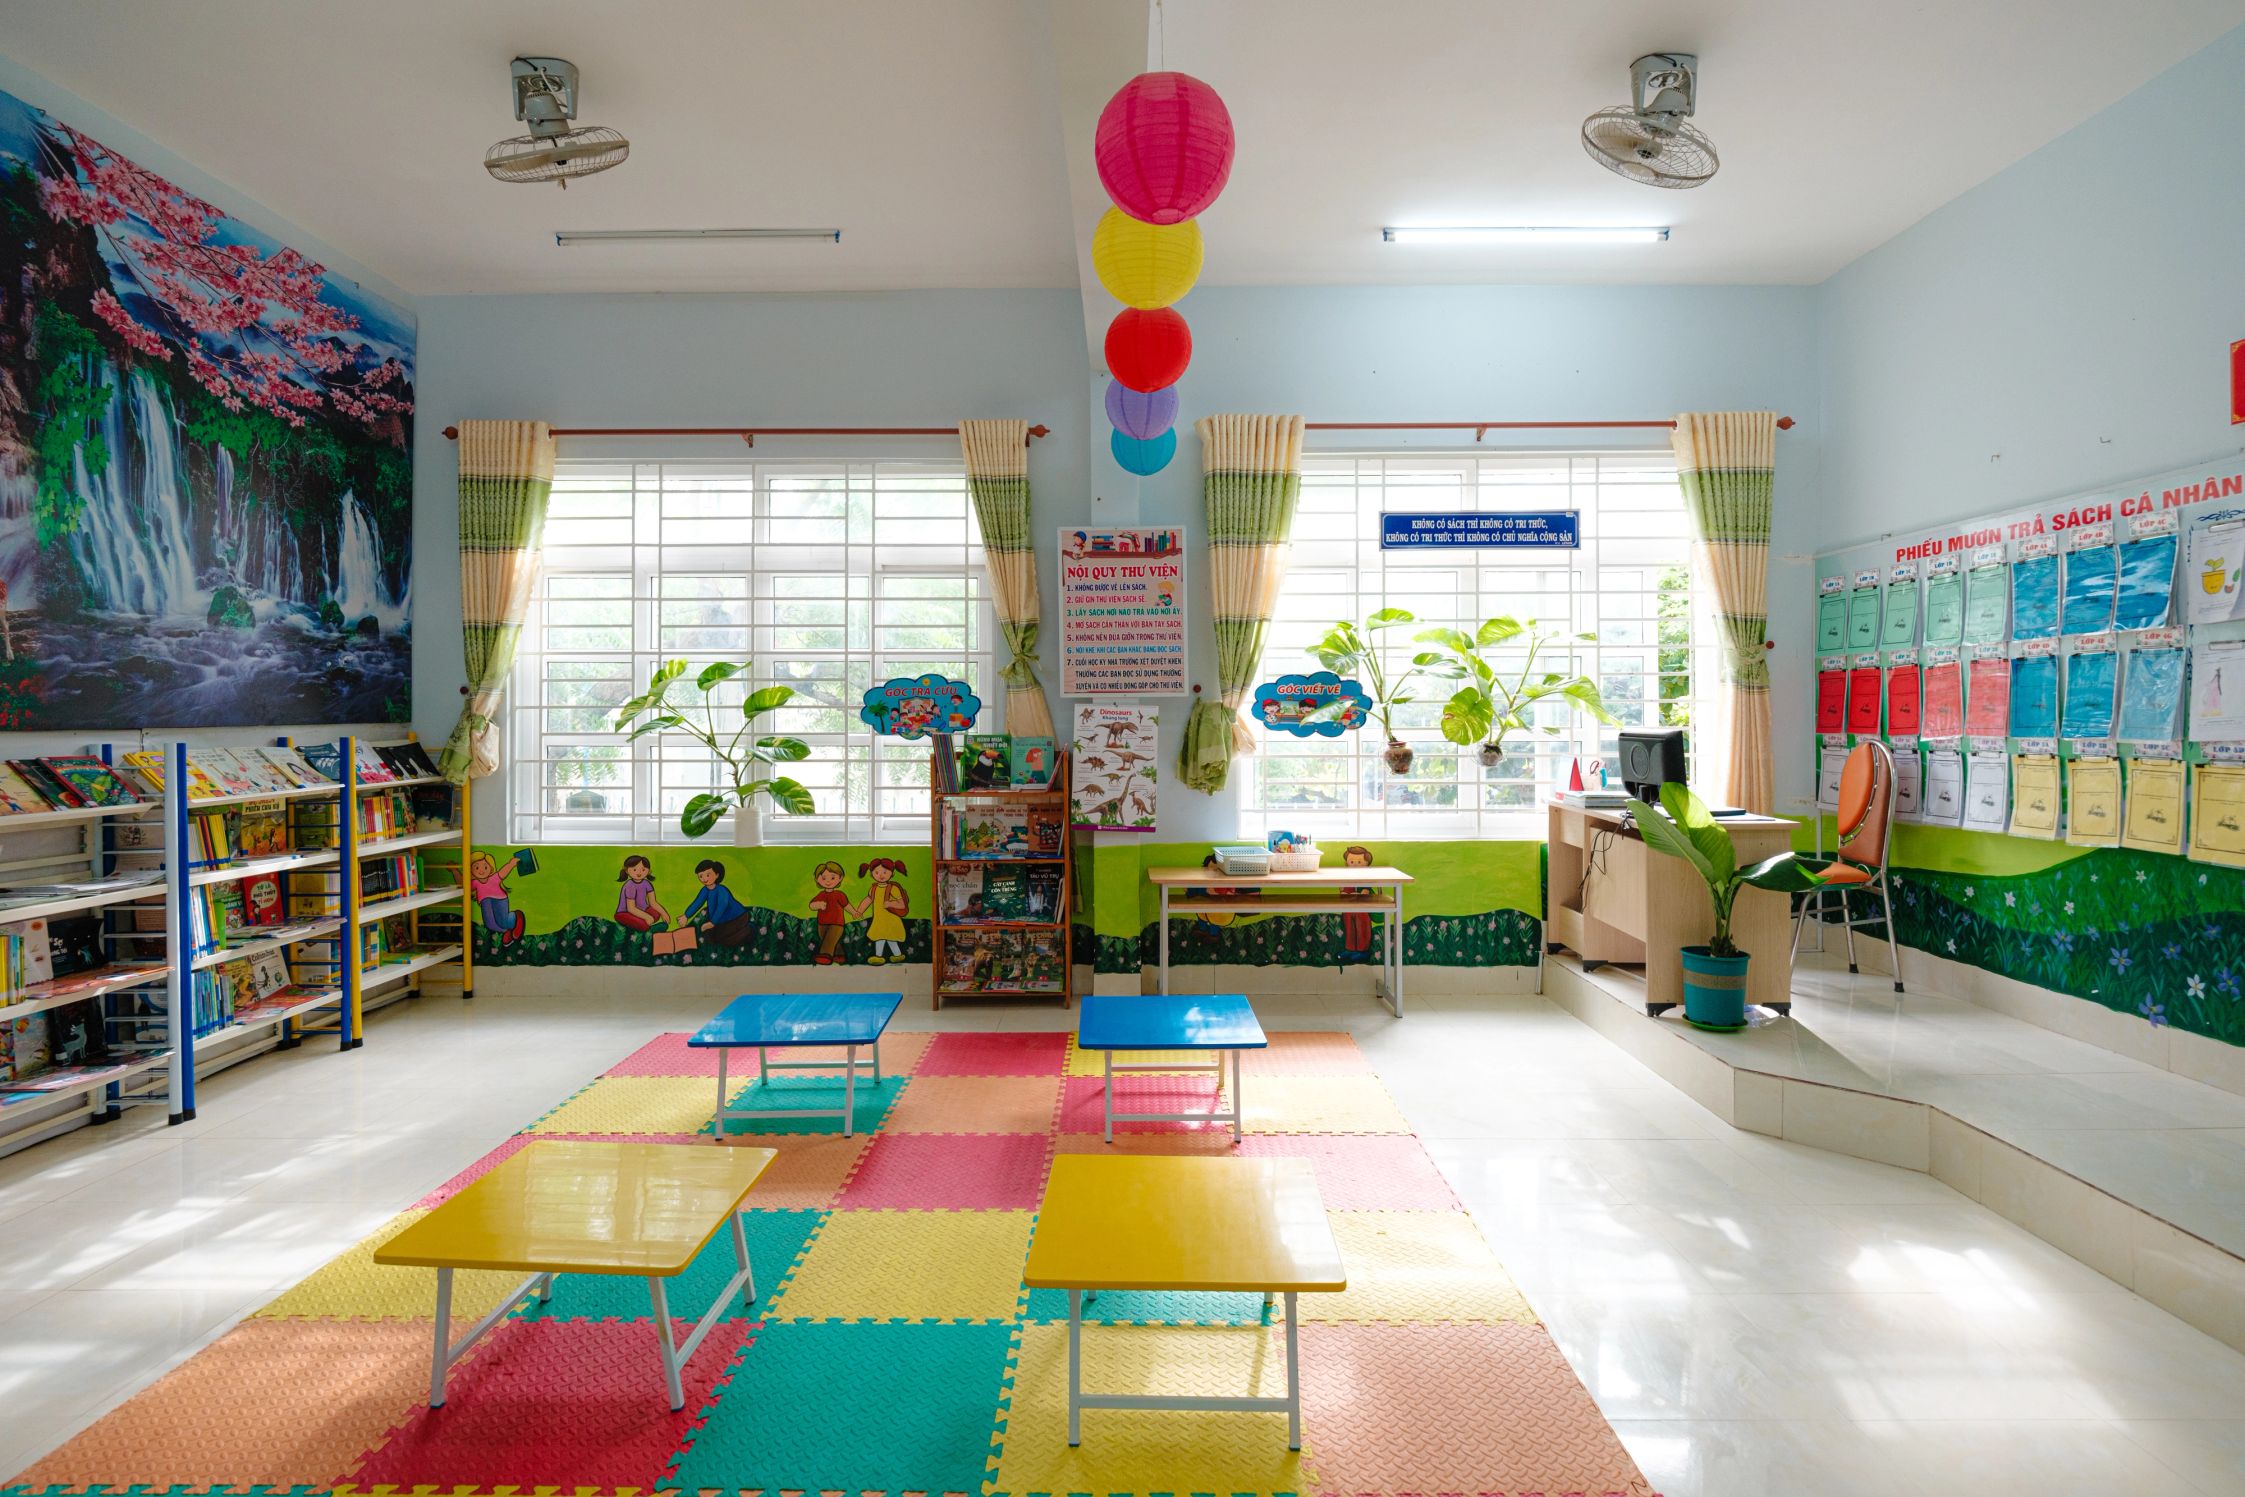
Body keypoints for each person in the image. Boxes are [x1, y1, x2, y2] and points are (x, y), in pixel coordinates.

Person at [682, 858, 756, 946]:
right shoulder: (705, 890)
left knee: (725, 941)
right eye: (700, 876)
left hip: (738, 918)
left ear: (717, 875)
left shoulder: (721, 890)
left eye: (708, 875)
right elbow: (697, 903)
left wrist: (712, 922)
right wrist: (686, 916)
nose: (704, 879)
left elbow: (722, 905)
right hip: (721, 921)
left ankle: (748, 930)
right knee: (711, 938)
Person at [853, 857, 909, 965]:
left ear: (892, 873)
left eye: (885, 872)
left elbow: (902, 904)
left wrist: (890, 903)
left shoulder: (893, 888)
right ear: (871, 874)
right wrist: (859, 911)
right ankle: (879, 957)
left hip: (891, 919)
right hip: (879, 919)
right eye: (877, 872)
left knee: (891, 938)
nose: (881, 875)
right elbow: (868, 900)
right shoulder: (874, 888)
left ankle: (897, 955)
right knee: (880, 937)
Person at [469, 851, 524, 945]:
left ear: (490, 869)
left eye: (485, 867)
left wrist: (511, 864)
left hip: (499, 899)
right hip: (485, 901)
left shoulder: (494, 877)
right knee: (490, 924)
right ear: (471, 870)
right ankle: (507, 931)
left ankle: (515, 917)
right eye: (476, 867)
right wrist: (455, 871)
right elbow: (463, 883)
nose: (481, 871)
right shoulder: (475, 883)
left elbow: (503, 872)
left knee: (502, 921)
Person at [614, 854, 669, 933]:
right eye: (635, 869)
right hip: (625, 913)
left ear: (648, 871)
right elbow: (631, 908)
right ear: (626, 870)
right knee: (643, 924)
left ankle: (643, 924)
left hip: (642, 911)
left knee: (656, 913)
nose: (639, 872)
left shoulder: (647, 884)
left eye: (643, 869)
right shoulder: (630, 885)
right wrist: (647, 917)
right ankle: (648, 929)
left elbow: (653, 902)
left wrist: (664, 913)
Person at [1339, 844, 1376, 963]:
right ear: (1347, 863)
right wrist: (1344, 892)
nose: (1355, 864)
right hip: (1349, 907)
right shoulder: (1346, 876)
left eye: (1359, 862)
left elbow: (1365, 891)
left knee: (1362, 927)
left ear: (1366, 864)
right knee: (1349, 926)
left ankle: (1362, 951)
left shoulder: (1366, 876)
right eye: (1352, 861)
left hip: (1361, 907)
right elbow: (1343, 889)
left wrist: (1358, 894)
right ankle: (1350, 949)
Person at [808, 861, 850, 964]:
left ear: (840, 878)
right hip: (822, 923)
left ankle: (825, 956)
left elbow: (846, 905)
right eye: (823, 878)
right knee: (828, 939)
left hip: (837, 923)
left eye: (832, 878)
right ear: (817, 879)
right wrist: (818, 905)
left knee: (830, 939)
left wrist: (854, 912)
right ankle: (839, 955)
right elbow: (811, 905)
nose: (828, 881)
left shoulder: (839, 895)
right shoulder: (821, 895)